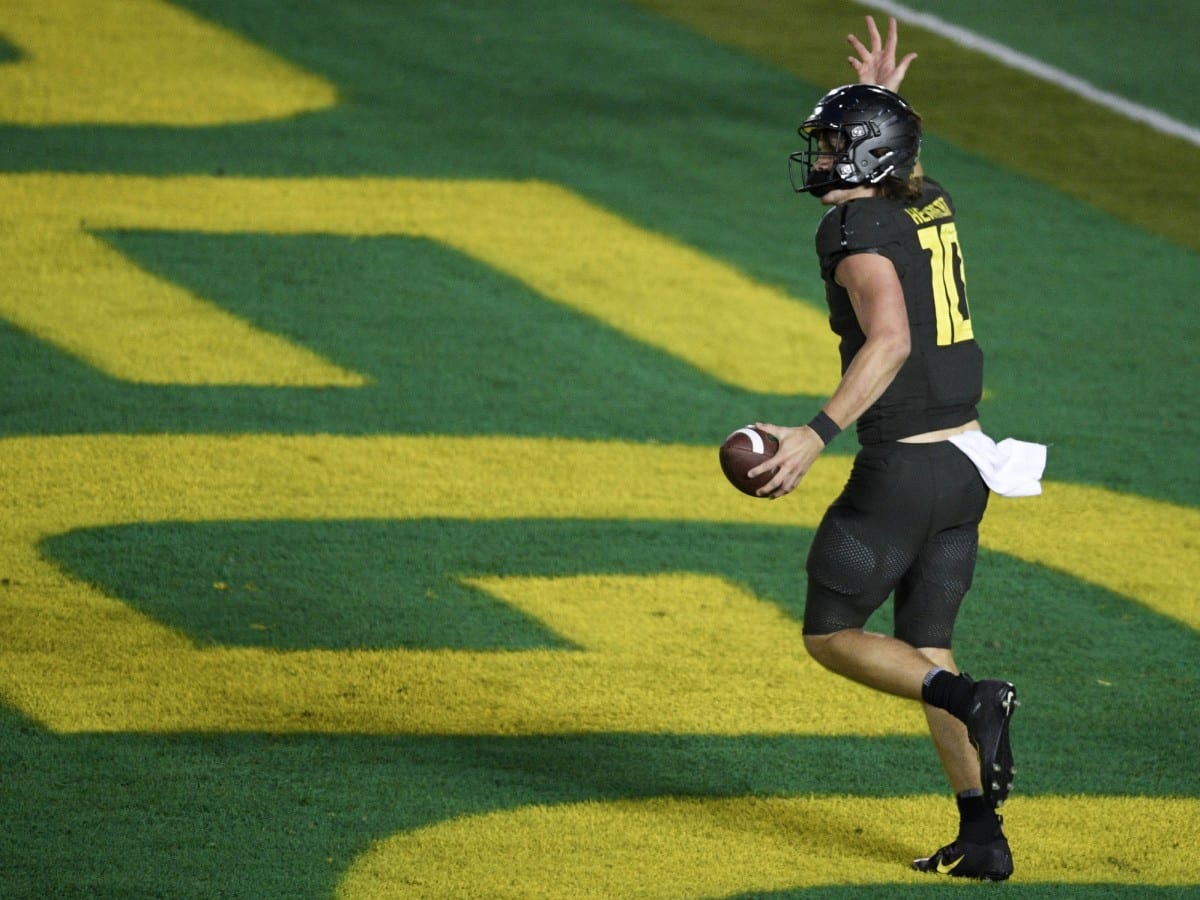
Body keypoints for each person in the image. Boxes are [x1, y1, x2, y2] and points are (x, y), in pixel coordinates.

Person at [747, 16, 1037, 881]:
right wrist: (888, 104)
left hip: (904, 468)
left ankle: (970, 702)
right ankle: (982, 837)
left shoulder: (851, 232)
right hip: (967, 465)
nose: (824, 158)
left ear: (870, 157)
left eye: (838, 143)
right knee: (927, 647)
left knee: (833, 635)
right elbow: (903, 167)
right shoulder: (926, 195)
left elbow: (891, 340)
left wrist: (815, 433)